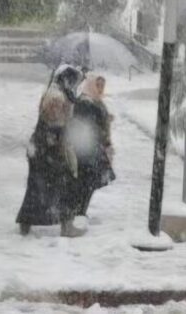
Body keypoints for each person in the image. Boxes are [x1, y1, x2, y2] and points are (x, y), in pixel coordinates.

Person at [16, 65, 84, 237]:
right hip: (48, 147)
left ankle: (26, 221)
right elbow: (54, 122)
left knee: (38, 186)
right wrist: (60, 140)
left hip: (43, 147)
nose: (75, 86)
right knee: (64, 184)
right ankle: (66, 226)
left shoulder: (59, 92)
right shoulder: (56, 96)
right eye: (74, 82)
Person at [68, 72, 116, 218]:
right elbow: (86, 124)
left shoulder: (96, 101)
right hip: (86, 149)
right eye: (98, 85)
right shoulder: (84, 102)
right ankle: (78, 210)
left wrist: (106, 119)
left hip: (95, 148)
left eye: (102, 85)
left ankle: (80, 210)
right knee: (86, 181)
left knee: (90, 182)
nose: (101, 88)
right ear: (91, 85)